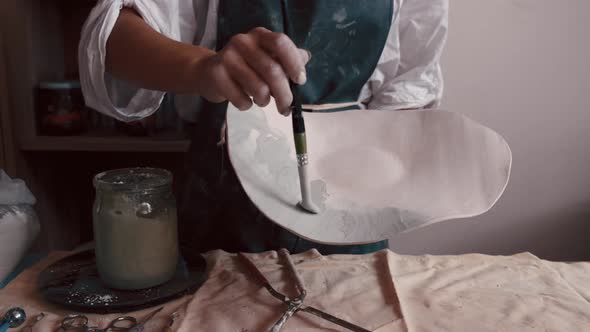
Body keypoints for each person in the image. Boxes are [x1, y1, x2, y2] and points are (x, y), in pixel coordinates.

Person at [79, 0, 449, 254]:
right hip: (223, 200)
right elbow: (111, 39)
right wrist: (204, 67)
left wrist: (386, 163)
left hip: (355, 204)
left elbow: (411, 82)